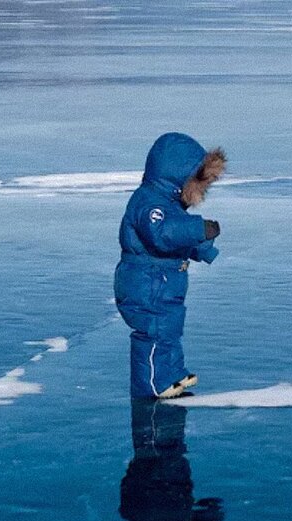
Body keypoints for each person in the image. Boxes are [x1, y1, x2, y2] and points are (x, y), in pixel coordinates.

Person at [115, 132, 225, 399]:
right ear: (177, 175)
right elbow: (164, 234)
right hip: (145, 282)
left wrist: (204, 249)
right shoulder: (149, 203)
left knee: (170, 327)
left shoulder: (170, 204)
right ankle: (152, 383)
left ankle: (172, 372)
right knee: (153, 331)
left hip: (164, 281)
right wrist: (199, 228)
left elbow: (176, 238)